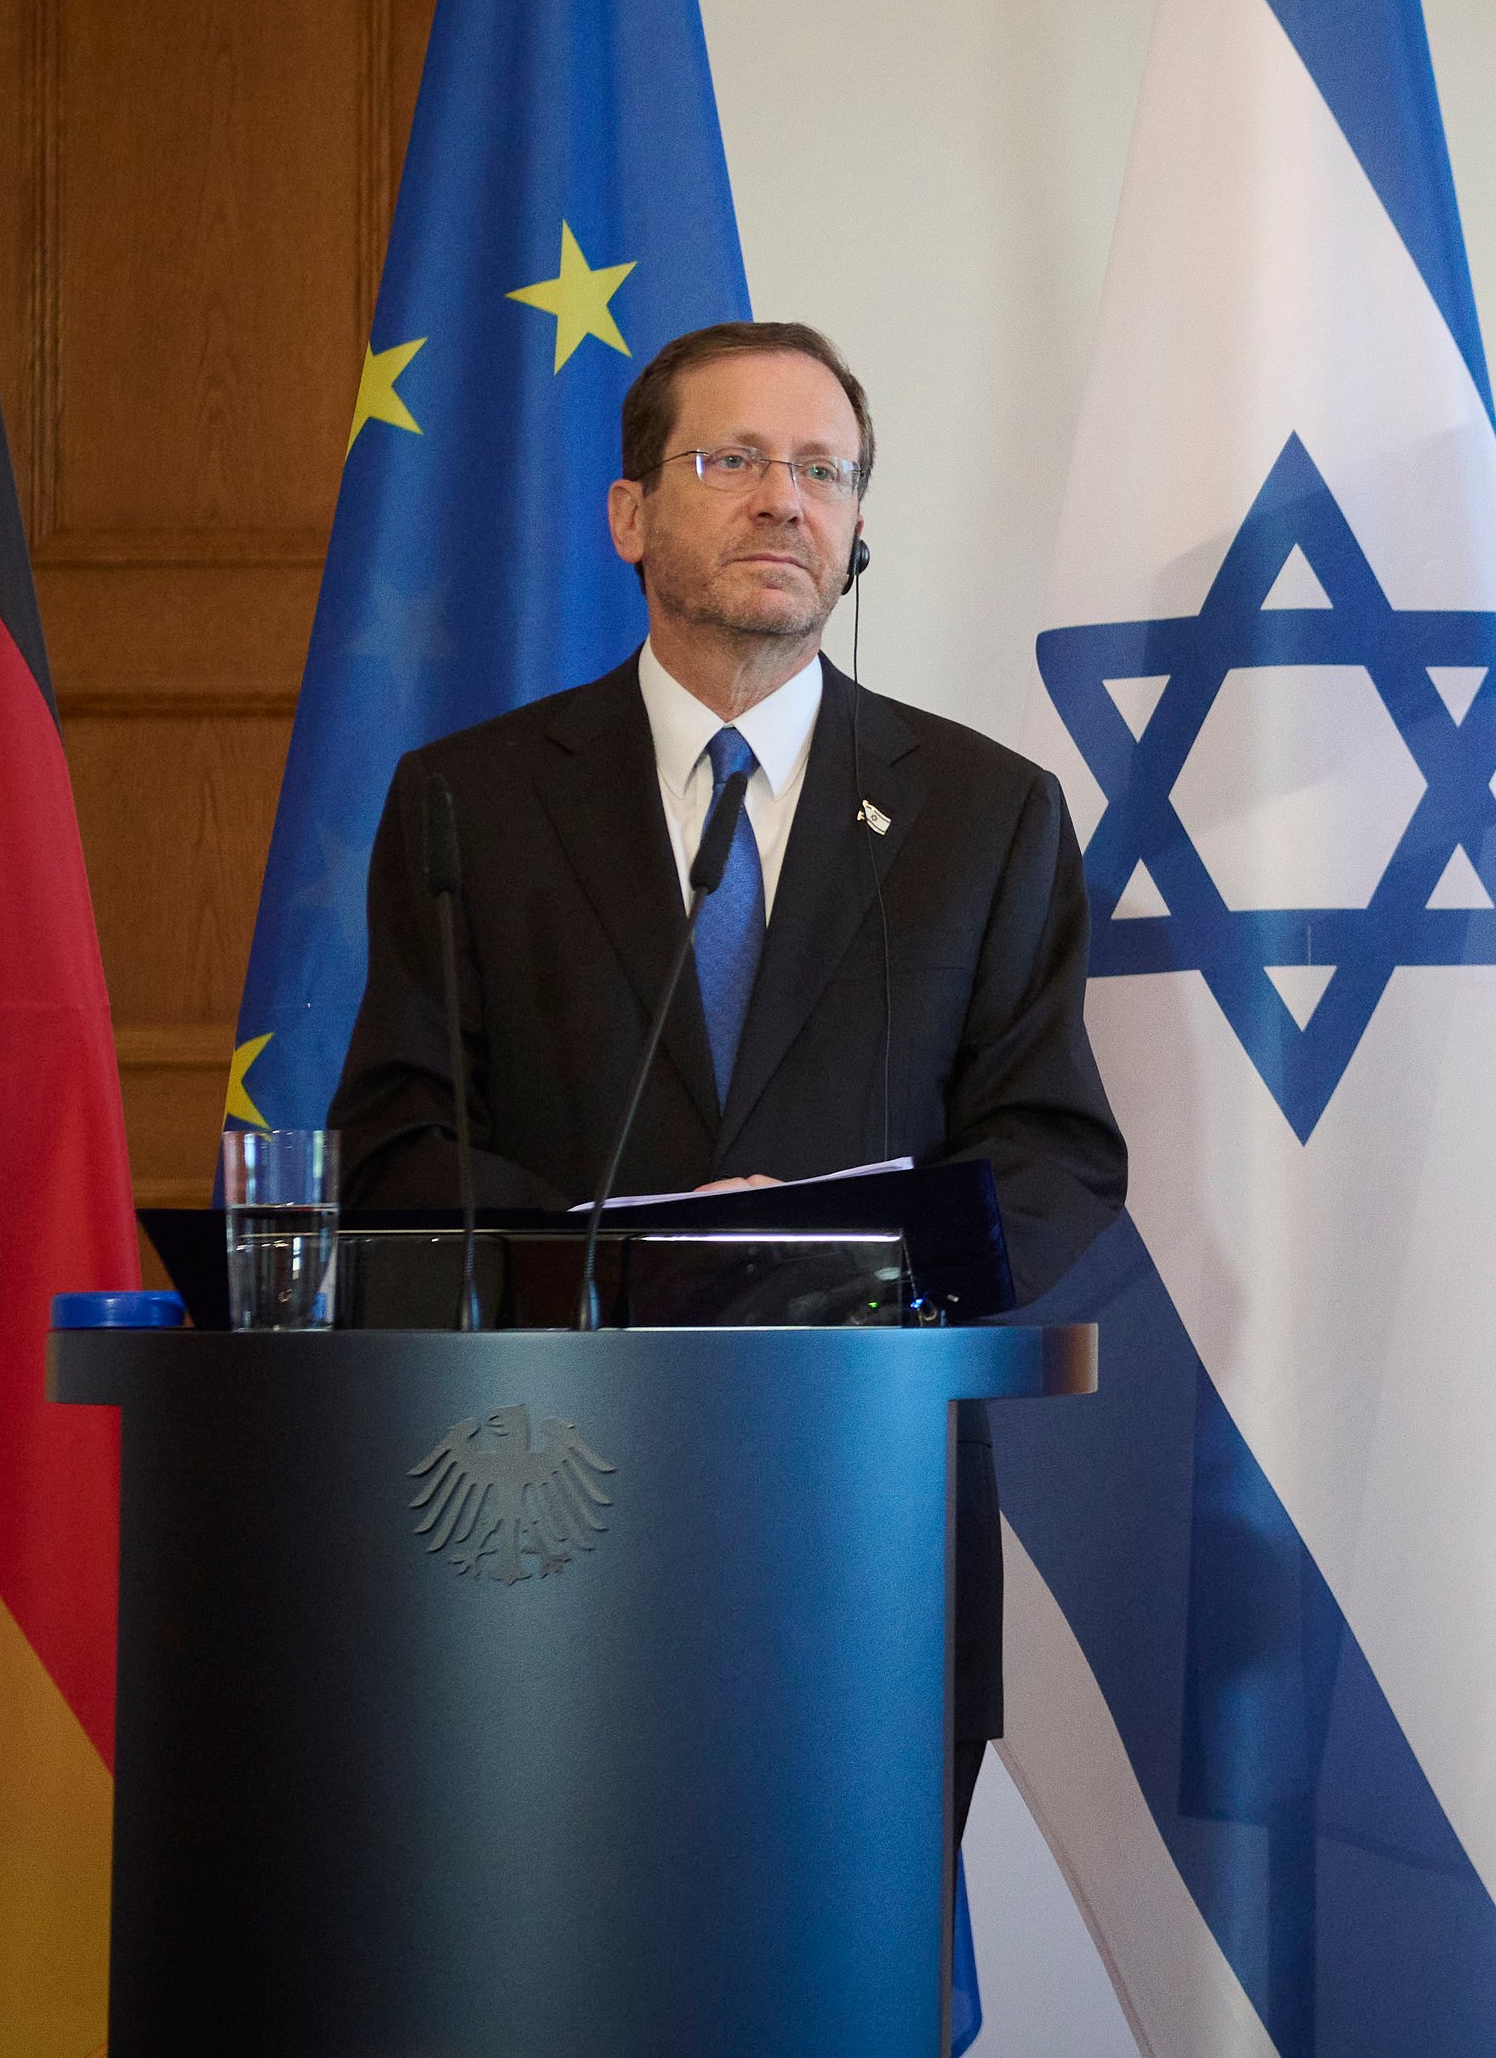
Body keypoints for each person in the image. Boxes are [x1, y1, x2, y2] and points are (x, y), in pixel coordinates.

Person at [329, 318, 1132, 1848]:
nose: (785, 500)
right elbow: (399, 1142)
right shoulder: (471, 800)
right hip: (544, 1500)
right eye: (733, 460)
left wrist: (839, 1268)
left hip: (865, 1512)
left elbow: (1054, 1152)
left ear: (856, 529)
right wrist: (636, 1251)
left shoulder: (986, 813)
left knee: (838, 1963)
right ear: (629, 514)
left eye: (824, 470)